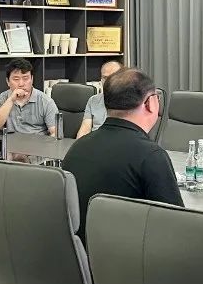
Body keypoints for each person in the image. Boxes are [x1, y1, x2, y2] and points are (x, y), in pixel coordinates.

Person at [62, 68, 182, 240]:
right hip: (128, 253)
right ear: (150, 103)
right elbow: (175, 225)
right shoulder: (151, 155)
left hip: (82, 252)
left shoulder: (78, 147)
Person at [0, 58, 58, 136]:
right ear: (8, 81)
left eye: (25, 78)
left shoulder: (46, 101)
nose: (21, 84)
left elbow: (55, 133)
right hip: (11, 143)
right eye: (16, 79)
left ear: (32, 79)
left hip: (38, 142)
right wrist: (11, 100)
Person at [76, 60, 123, 138]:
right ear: (101, 79)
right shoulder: (93, 100)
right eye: (105, 77)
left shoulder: (130, 102)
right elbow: (85, 129)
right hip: (95, 142)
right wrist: (79, 144)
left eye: (113, 77)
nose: (108, 81)